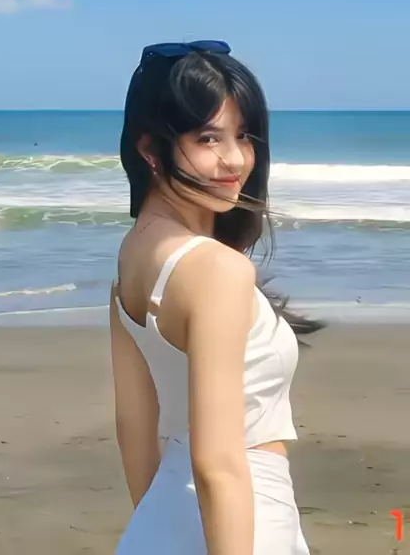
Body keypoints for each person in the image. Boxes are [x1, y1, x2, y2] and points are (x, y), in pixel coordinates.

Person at [110, 40, 324, 554]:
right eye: (208, 138)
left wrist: (159, 530)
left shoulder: (133, 259)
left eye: (243, 135)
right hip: (245, 523)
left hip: (161, 522)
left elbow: (134, 430)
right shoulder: (217, 271)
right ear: (150, 149)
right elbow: (218, 465)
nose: (236, 159)